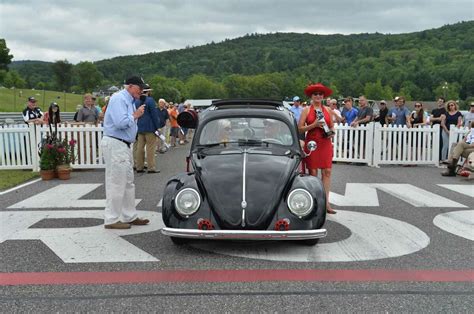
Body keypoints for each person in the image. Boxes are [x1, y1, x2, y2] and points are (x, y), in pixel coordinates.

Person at [100, 76, 149, 229]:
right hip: (116, 143)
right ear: (130, 86)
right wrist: (136, 115)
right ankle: (111, 219)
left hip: (123, 144)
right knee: (116, 182)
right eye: (139, 87)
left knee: (128, 182)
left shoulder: (128, 100)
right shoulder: (119, 99)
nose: (141, 91)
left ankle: (129, 215)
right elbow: (120, 123)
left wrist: (134, 115)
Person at [298, 83, 336, 214]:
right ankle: (314, 202)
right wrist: (313, 125)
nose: (318, 96)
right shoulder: (306, 110)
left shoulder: (328, 110)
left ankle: (326, 203)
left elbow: (331, 126)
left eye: (320, 94)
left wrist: (331, 132)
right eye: (315, 94)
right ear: (312, 96)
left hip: (325, 143)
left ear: (323, 96)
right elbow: (300, 128)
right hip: (313, 143)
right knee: (313, 174)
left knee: (327, 172)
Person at [134, 84, 161, 173]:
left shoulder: (136, 101)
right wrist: (157, 127)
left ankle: (139, 166)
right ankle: (151, 167)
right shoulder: (150, 100)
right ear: (148, 92)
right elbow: (154, 115)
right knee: (150, 148)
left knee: (140, 147)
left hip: (140, 127)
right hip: (150, 127)